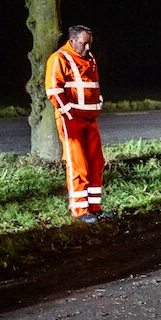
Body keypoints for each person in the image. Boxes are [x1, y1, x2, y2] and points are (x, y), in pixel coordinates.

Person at [46, 25, 107, 224]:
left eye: (90, 43)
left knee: (96, 162)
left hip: (90, 119)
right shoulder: (59, 58)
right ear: (72, 41)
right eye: (84, 43)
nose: (88, 48)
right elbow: (54, 91)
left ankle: (94, 208)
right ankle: (80, 210)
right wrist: (69, 114)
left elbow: (93, 87)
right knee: (78, 163)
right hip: (71, 121)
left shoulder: (90, 59)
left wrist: (97, 106)